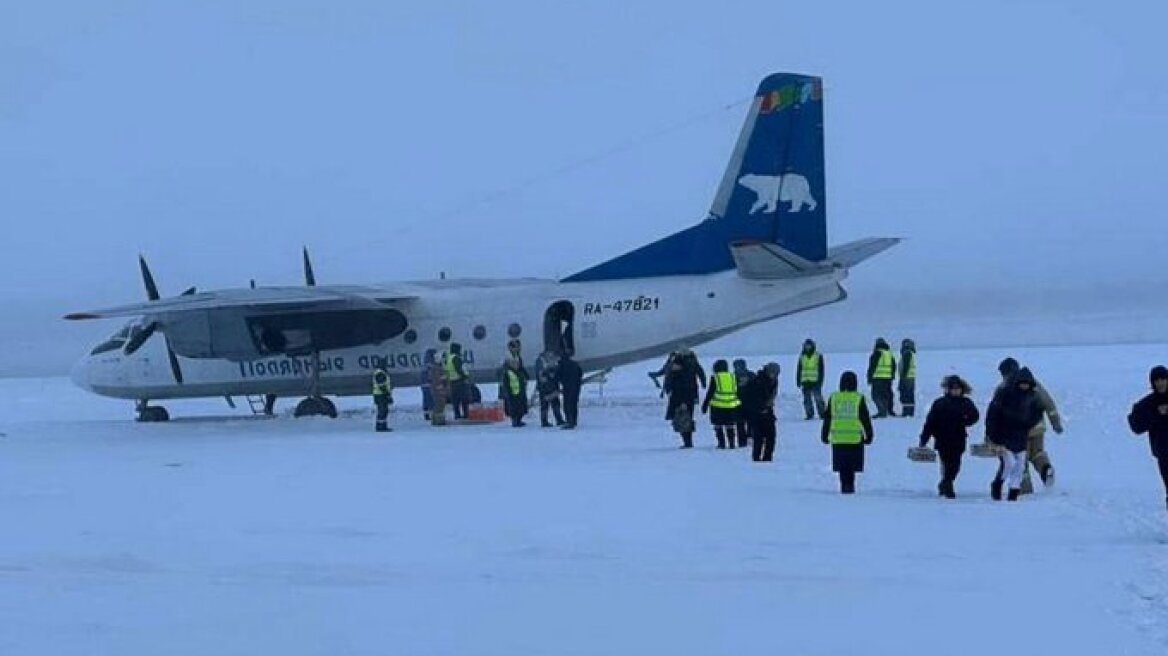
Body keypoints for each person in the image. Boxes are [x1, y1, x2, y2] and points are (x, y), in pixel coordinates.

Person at [994, 357, 1064, 493]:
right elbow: (1048, 402)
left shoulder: (1003, 387)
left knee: (1020, 459)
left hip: (1016, 432)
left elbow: (996, 412)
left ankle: (1025, 489)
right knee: (1037, 453)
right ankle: (1045, 468)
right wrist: (1056, 423)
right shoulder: (1033, 383)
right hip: (1038, 428)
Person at [986, 367, 1045, 501]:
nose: (1024, 386)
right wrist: (992, 435)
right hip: (1004, 438)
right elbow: (992, 415)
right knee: (1009, 464)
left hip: (1021, 438)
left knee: (1019, 467)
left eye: (1027, 383)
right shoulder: (1004, 395)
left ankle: (1013, 493)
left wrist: (1028, 423)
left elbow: (1038, 412)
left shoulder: (1033, 397)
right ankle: (997, 485)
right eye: (1022, 383)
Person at [918, 375, 979, 498]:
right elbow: (930, 422)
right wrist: (924, 439)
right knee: (946, 463)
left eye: (958, 389)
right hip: (942, 438)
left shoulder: (966, 402)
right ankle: (948, 487)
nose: (956, 391)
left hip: (959, 438)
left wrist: (966, 420)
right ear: (948, 389)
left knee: (956, 465)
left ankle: (944, 483)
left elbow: (975, 416)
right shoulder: (940, 403)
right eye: (953, 389)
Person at [821, 371, 875, 494]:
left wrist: (824, 435)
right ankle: (850, 487)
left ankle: (844, 487)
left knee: (842, 468)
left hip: (838, 438)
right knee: (851, 468)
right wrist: (869, 434)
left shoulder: (834, 398)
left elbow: (828, 418)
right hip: (854, 438)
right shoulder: (858, 398)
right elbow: (865, 418)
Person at [1127, 365, 1168, 511]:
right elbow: (1136, 426)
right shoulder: (1147, 404)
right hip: (1165, 453)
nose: (1161, 383)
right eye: (1157, 380)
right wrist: (1156, 415)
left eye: (1163, 379)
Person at [664, 348, 704, 448]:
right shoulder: (691, 365)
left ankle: (688, 442)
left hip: (680, 398)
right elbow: (700, 373)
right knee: (686, 418)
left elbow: (672, 380)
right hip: (689, 396)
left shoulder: (681, 371)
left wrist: (669, 390)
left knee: (683, 419)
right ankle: (687, 441)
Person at [741, 362, 780, 462]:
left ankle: (767, 458)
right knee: (759, 438)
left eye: (775, 373)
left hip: (768, 412)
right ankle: (756, 459)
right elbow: (749, 398)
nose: (773, 375)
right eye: (772, 372)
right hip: (756, 413)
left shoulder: (774, 381)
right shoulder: (757, 381)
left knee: (771, 437)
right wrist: (759, 407)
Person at [702, 359, 741, 449]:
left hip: (717, 405)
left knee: (718, 425)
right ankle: (732, 443)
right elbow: (737, 391)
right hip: (731, 405)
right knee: (730, 425)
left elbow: (710, 393)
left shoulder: (716, 377)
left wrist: (705, 405)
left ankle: (721, 443)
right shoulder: (732, 377)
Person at [797, 338, 826, 420]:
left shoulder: (818, 356)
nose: (808, 347)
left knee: (818, 398)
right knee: (807, 400)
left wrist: (820, 381)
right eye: (806, 346)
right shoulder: (802, 356)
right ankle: (809, 414)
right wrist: (798, 380)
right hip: (805, 381)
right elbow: (799, 369)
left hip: (815, 381)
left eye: (809, 346)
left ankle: (822, 413)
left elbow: (821, 369)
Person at [866, 338, 897, 418]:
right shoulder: (889, 354)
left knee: (876, 396)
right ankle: (887, 410)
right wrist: (892, 376)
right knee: (886, 395)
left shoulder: (876, 353)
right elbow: (894, 366)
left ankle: (882, 411)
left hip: (877, 378)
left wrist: (869, 378)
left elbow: (872, 367)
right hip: (887, 379)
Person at [535, 350, 565, 427]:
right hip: (545, 388)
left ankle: (558, 419)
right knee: (546, 405)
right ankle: (545, 421)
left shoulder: (547, 361)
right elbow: (543, 376)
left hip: (551, 387)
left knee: (555, 404)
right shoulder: (541, 362)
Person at [444, 342, 470, 420]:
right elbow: (459, 369)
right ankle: (466, 414)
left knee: (455, 400)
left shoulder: (448, 358)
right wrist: (465, 376)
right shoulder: (456, 358)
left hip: (452, 381)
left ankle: (457, 415)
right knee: (464, 399)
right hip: (460, 381)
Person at [733, 358, 755, 447]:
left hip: (738, 402)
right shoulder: (751, 375)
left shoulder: (732, 376)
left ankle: (742, 441)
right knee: (750, 421)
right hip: (750, 402)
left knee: (740, 423)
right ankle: (750, 436)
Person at [501, 357, 528, 427]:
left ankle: (519, 420)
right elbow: (506, 384)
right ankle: (515, 421)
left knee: (521, 408)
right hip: (512, 394)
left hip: (520, 393)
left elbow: (526, 378)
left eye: (517, 363)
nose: (516, 365)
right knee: (514, 409)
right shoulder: (508, 372)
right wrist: (508, 393)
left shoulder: (519, 371)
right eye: (514, 363)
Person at [559, 351, 583, 429]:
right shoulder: (575, 364)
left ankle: (569, 422)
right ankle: (574, 420)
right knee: (574, 404)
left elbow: (558, 376)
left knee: (567, 405)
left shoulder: (561, 365)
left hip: (567, 387)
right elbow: (580, 373)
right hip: (576, 387)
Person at [426, 351, 448, 426]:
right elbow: (436, 379)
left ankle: (436, 419)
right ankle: (438, 420)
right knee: (439, 404)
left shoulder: (435, 368)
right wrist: (443, 379)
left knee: (439, 404)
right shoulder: (436, 368)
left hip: (438, 388)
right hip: (438, 389)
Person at [899, 338, 918, 417]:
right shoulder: (911, 353)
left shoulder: (907, 353)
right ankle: (909, 411)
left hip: (907, 378)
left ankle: (907, 412)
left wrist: (903, 376)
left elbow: (905, 366)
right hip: (911, 377)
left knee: (906, 395)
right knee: (909, 395)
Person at [371, 364, 393, 432]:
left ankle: (382, 425)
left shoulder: (380, 372)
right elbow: (382, 385)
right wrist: (387, 395)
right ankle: (381, 426)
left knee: (383, 410)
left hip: (380, 394)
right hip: (381, 395)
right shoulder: (380, 373)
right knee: (382, 410)